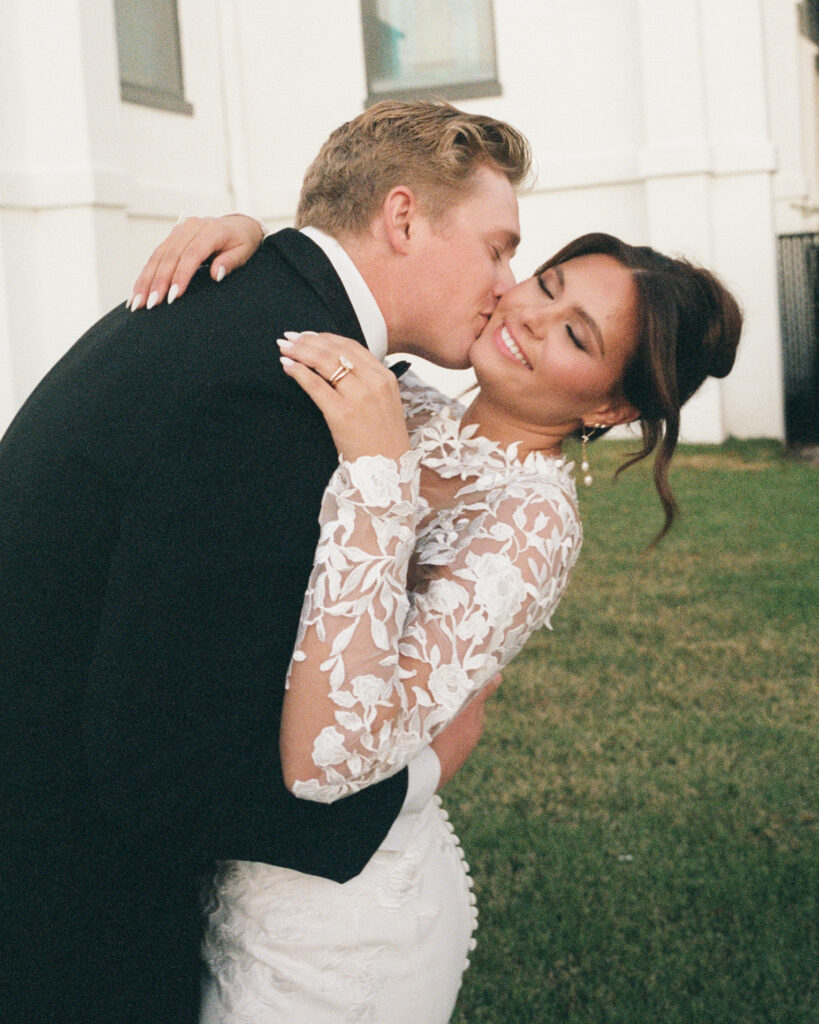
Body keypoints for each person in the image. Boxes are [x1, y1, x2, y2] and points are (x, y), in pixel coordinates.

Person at [0, 101, 531, 1024]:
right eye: (496, 247)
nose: (506, 283)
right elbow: (163, 762)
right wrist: (415, 777)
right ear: (403, 218)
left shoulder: (244, 303)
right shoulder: (275, 388)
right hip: (67, 902)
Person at [145, 227, 741, 1021]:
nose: (529, 315)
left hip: (329, 931)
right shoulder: (400, 399)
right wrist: (257, 243)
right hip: (221, 855)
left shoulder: (531, 524)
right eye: (548, 283)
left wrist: (376, 471)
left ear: (610, 403)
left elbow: (329, 759)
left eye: (573, 333)